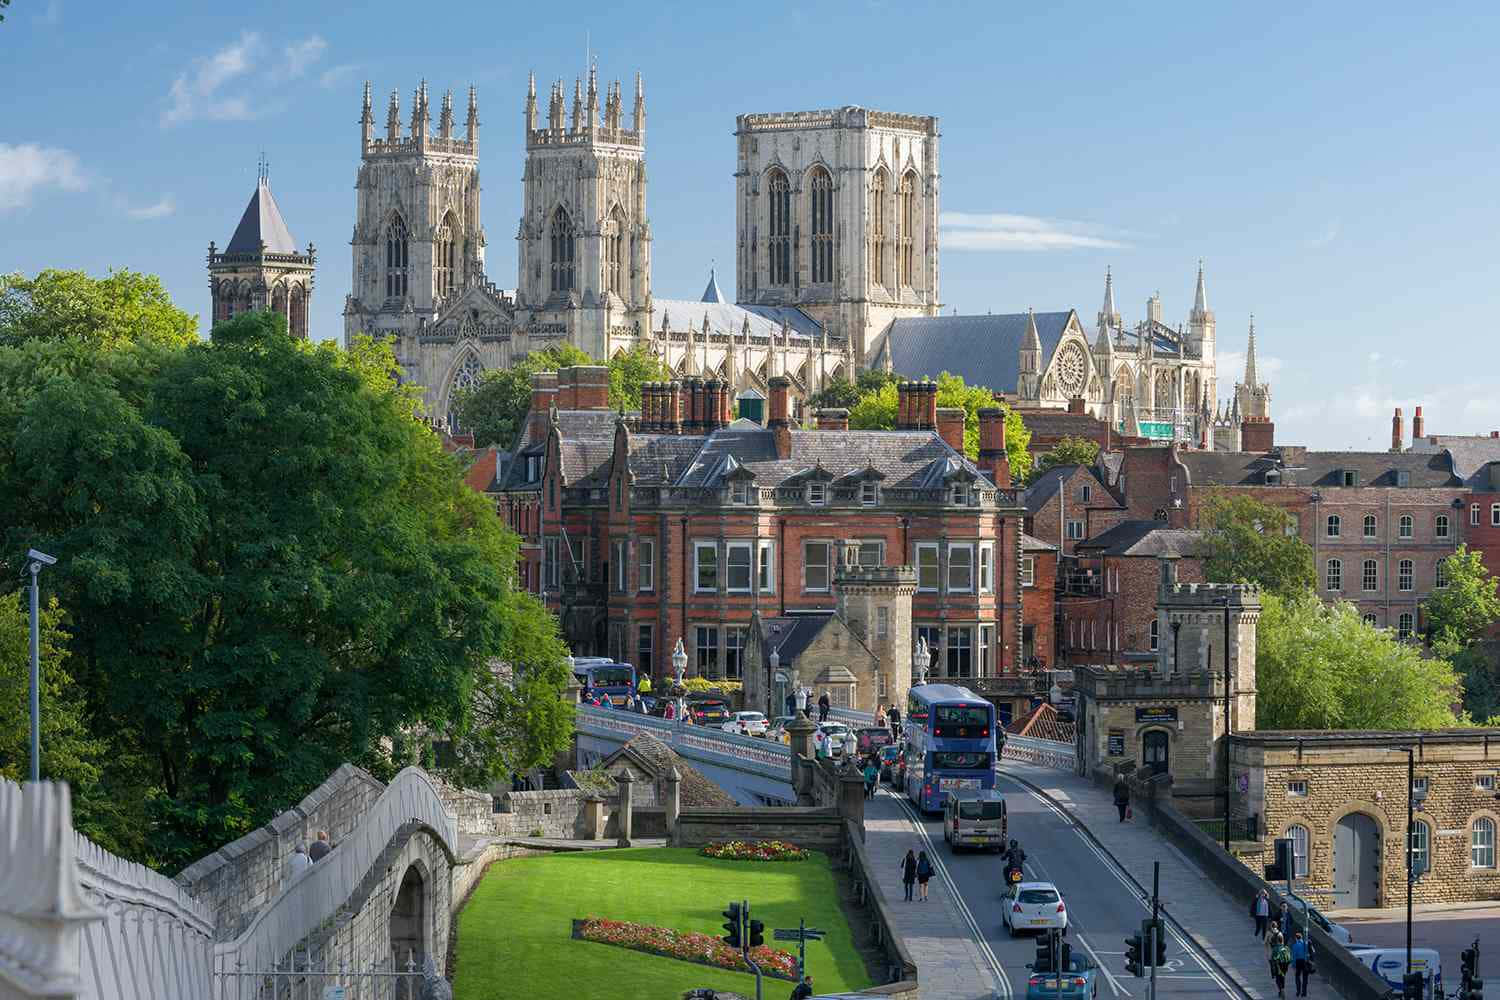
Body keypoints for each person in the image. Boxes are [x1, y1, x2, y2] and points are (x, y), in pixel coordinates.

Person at [1266, 926, 1289, 998]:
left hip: (1278, 966)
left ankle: (1281, 990)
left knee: (1278, 979)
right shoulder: (1286, 948)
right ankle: (1282, 989)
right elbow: (1289, 958)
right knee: (1283, 976)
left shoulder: (1275, 949)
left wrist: (1273, 969)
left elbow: (1273, 960)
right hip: (1285, 965)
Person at [1290, 930, 1310, 997]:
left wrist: (1293, 965)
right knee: (1305, 978)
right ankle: (1304, 993)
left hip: (1298, 962)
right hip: (1304, 962)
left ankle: (1298, 991)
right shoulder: (1305, 944)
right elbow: (1307, 954)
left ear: (1296, 938)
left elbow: (1294, 956)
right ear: (1301, 938)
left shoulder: (1295, 945)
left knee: (1297, 977)